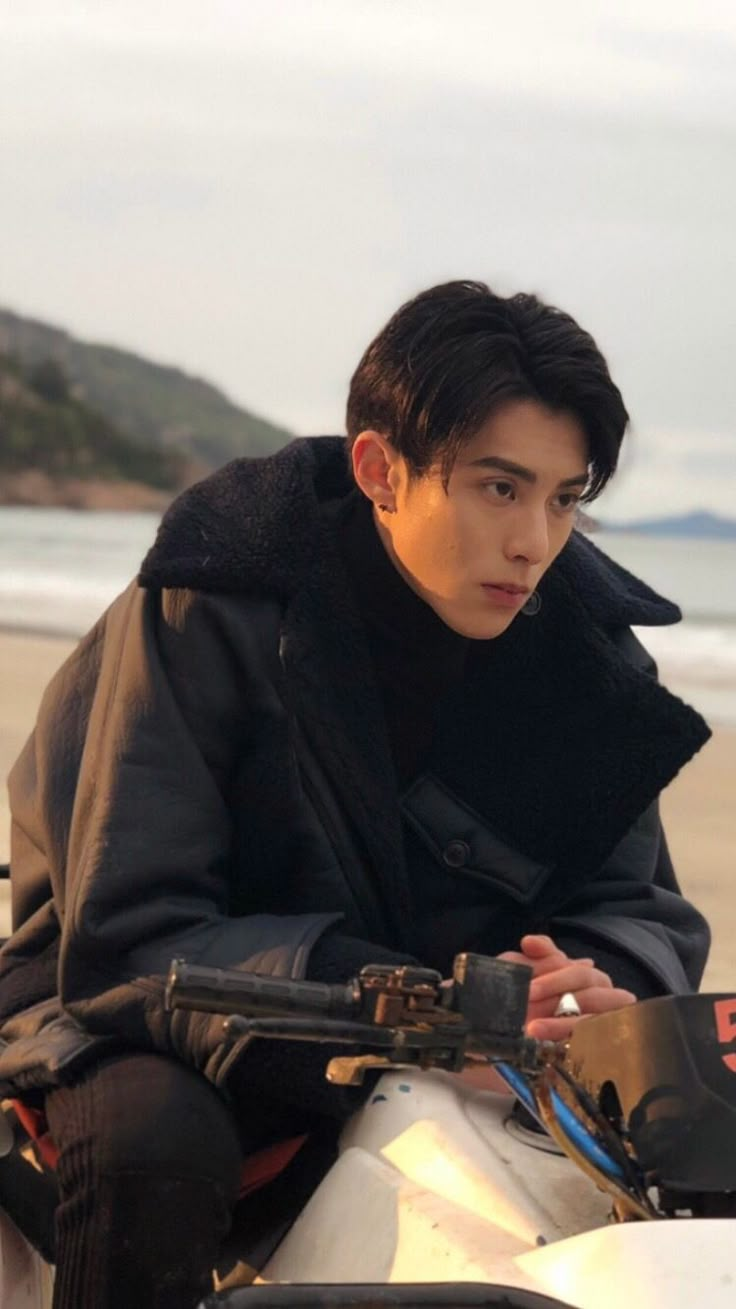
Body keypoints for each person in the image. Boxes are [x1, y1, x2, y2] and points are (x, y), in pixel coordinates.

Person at [0, 281, 711, 1306]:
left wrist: (598, 986)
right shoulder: (214, 601)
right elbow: (132, 929)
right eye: (498, 488)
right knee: (149, 1149)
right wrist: (416, 1018)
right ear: (381, 470)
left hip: (478, 1047)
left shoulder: (587, 660)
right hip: (149, 1014)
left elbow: (638, 903)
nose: (534, 542)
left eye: (563, 500)